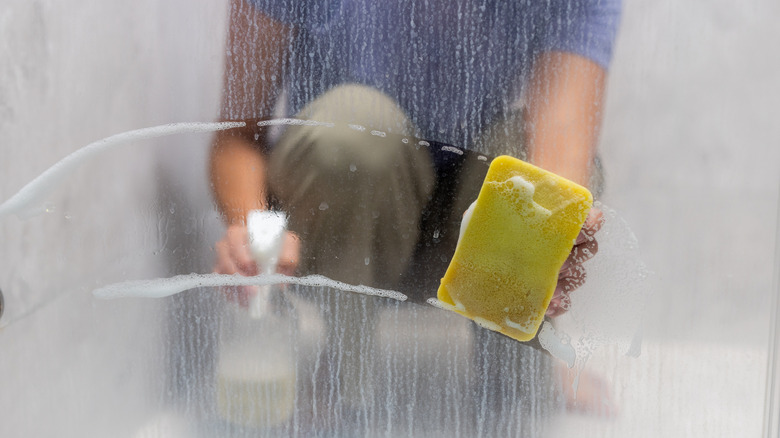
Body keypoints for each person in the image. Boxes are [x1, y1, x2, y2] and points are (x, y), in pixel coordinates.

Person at [209, 0, 620, 432]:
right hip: (332, 226)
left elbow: (559, 156)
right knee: (354, 131)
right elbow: (238, 135)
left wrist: (551, 243)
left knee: (537, 185)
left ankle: (514, 374)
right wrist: (255, 233)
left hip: (462, 240)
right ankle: (345, 365)